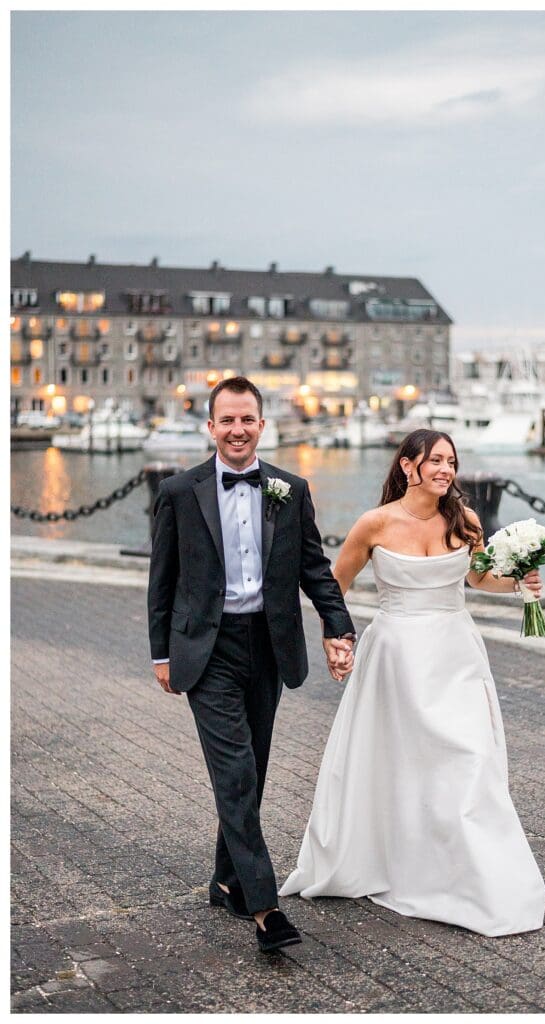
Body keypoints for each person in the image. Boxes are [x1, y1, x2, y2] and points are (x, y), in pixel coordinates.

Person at [280, 429, 545, 937]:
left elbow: (476, 578)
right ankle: (402, 861)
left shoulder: (464, 520)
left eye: (452, 461)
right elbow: (333, 586)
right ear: (408, 466)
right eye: (437, 461)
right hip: (396, 657)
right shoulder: (374, 524)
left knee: (470, 759)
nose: (446, 470)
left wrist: (518, 579)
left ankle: (478, 879)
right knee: (402, 764)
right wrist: (335, 638)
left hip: (455, 653)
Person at [147, 376, 356, 952]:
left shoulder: (290, 489)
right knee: (236, 772)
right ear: (210, 427)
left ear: (262, 425)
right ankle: (264, 909)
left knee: (253, 769)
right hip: (205, 650)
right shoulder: (179, 491)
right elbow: (161, 580)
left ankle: (225, 877)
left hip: (268, 645)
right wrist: (161, 653)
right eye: (227, 420)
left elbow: (314, 568)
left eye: (248, 420)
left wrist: (339, 624)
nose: (237, 430)